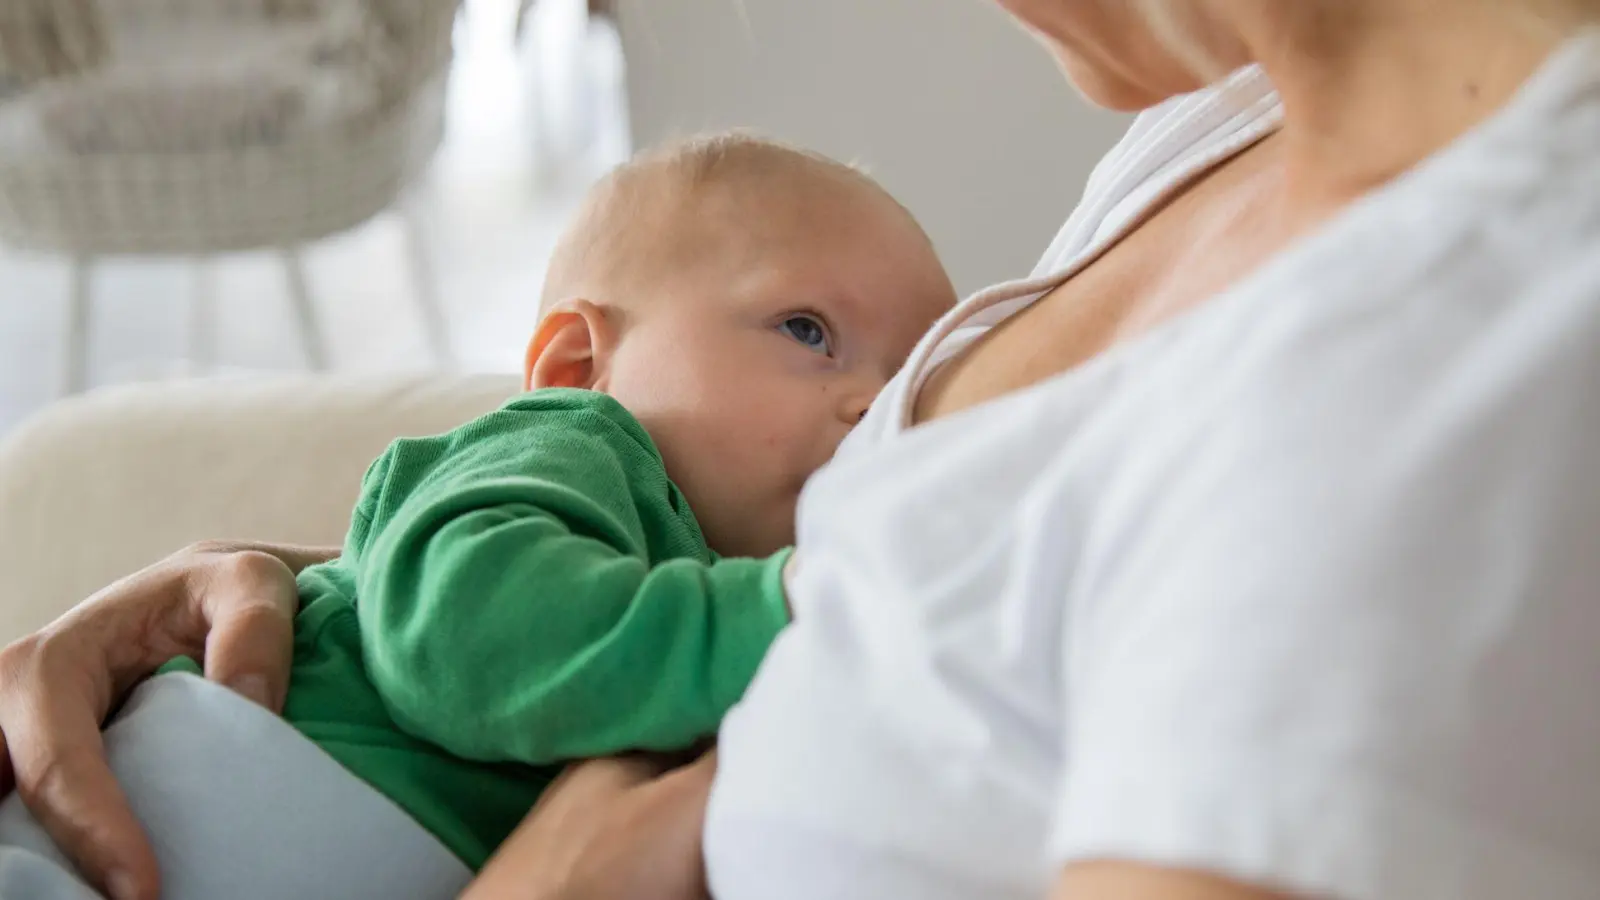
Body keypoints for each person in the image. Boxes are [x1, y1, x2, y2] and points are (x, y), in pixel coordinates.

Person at [5, 0, 1600, 899]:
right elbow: (490, 616)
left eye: (890, 363)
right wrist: (286, 584)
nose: (867, 407)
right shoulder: (1218, 126)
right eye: (813, 339)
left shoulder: (1490, 348)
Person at [0, 133, 955, 900]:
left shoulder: (670, 583)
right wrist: (792, 609)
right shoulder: (573, 445)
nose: (875, 405)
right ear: (580, 363)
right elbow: (466, 630)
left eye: (914, 384)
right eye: (808, 332)